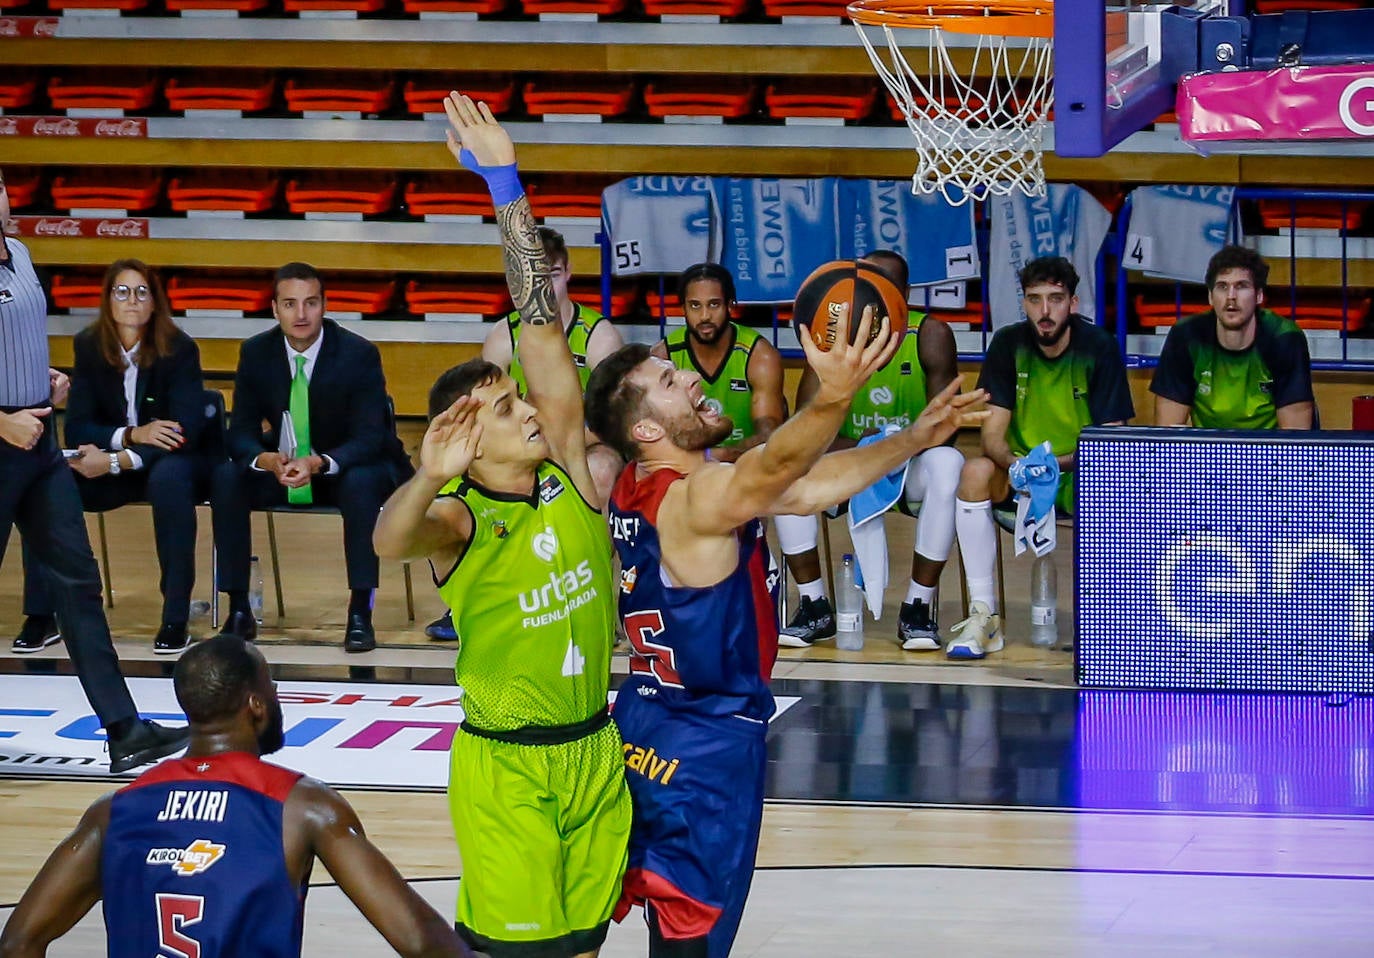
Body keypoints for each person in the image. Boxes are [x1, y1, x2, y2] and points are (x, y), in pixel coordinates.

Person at [584, 288, 985, 955]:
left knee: (606, 922)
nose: (688, 377)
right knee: (692, 939)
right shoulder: (698, 495)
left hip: (642, 724)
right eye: (667, 382)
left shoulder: (643, 484)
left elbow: (807, 485)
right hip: (704, 749)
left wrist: (915, 439)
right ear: (647, 430)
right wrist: (834, 395)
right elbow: (777, 463)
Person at [372, 93, 632, 958]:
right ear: (464, 439)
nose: (528, 407)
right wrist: (423, 478)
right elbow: (388, 543)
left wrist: (505, 182)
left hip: (596, 749)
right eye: (504, 405)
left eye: (522, 396)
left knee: (586, 947)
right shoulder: (456, 517)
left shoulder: (567, 469)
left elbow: (541, 322)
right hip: (507, 764)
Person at [0, 635, 474, 958]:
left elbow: (19, 943)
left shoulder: (114, 812)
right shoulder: (301, 807)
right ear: (256, 704)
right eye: (271, 685)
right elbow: (418, 940)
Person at [0, 167, 189, 774]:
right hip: (4, 436)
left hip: (39, 439)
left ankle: (123, 730)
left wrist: (45, 380)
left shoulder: (21, 254)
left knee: (79, 585)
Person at [417, 226, 629, 645]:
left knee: (601, 472)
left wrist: (552, 445)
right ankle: (469, 587)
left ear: (567, 273)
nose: (544, 285)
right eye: (535, 276)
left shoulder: (600, 334)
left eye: (551, 273)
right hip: (527, 441)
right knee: (465, 476)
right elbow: (479, 409)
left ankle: (594, 588)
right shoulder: (502, 335)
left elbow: (609, 419)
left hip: (587, 440)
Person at [211, 262, 413, 653]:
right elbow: (241, 432)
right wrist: (267, 460)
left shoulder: (358, 353)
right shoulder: (255, 353)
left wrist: (320, 461)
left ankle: (360, 611)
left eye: (310, 303)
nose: (300, 314)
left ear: (324, 306)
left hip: (346, 465)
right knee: (226, 477)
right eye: (289, 304)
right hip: (284, 464)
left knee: (362, 482)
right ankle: (238, 608)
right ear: (274, 309)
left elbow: (372, 436)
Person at [16, 259, 211, 656]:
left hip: (161, 465)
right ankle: (41, 614)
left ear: (155, 303)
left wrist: (118, 459)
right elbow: (80, 427)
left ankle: (175, 616)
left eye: (142, 292)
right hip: (107, 463)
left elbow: (181, 431)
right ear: (108, 300)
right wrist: (129, 437)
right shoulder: (89, 346)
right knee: (44, 478)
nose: (132, 301)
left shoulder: (180, 349)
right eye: (122, 291)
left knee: (171, 478)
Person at [773, 250, 963, 651]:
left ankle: (917, 609)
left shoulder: (930, 335)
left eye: (887, 285)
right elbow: (804, 433)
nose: (874, 294)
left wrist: (891, 447)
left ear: (905, 294)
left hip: (907, 467)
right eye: (868, 283)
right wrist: (868, 446)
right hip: (846, 464)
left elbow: (945, 433)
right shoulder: (830, 336)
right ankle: (814, 606)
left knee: (949, 463)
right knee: (787, 468)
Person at [948, 255, 1134, 660]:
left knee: (1119, 482)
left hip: (1083, 473)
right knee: (976, 471)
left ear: (1074, 303)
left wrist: (1055, 466)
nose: (1045, 311)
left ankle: (1110, 623)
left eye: (1055, 299)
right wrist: (1020, 465)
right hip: (1020, 474)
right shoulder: (1008, 344)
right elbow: (991, 435)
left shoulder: (1099, 347)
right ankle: (985, 616)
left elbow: (1113, 439)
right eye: (1035, 299)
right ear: (1025, 303)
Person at [1151, 245, 1315, 429]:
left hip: (1268, 454)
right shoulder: (1186, 336)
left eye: (1241, 286)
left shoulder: (1284, 338)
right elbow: (1168, 431)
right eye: (1222, 287)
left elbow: (1294, 439)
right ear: (1210, 297)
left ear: (1259, 295)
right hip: (1207, 454)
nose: (1231, 296)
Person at [651, 262, 785, 463]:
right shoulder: (663, 356)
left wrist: (720, 456)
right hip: (684, 469)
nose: (705, 316)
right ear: (683, 308)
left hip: (747, 467)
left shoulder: (759, 356)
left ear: (730, 305)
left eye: (714, 304)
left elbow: (769, 436)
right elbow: (655, 435)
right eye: (695, 305)